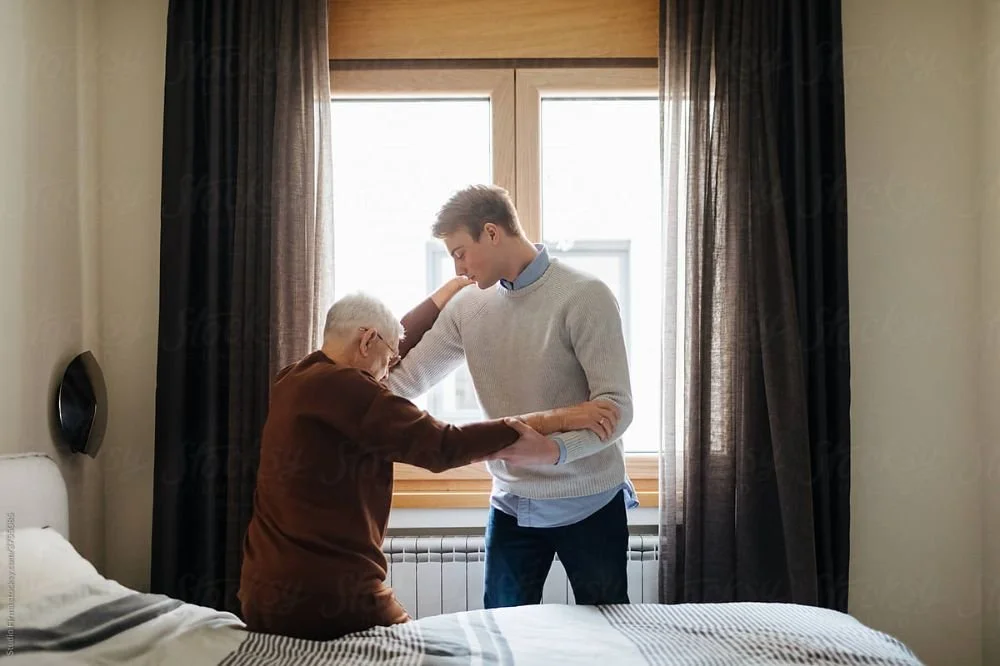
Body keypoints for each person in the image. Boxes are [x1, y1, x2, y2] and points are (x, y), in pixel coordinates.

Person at [237, 284, 620, 640]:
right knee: (423, 650)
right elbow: (443, 446)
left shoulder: (293, 378)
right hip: (326, 594)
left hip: (261, 591)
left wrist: (447, 291)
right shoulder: (353, 391)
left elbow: (392, 335)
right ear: (368, 340)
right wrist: (559, 418)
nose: (389, 372)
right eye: (388, 360)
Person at [387, 185, 636, 610]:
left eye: (460, 252)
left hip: (591, 502)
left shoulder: (584, 295)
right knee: (500, 632)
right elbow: (400, 383)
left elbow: (618, 407)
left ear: (492, 232)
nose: (457, 266)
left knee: (609, 631)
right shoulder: (467, 306)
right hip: (512, 505)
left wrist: (554, 450)